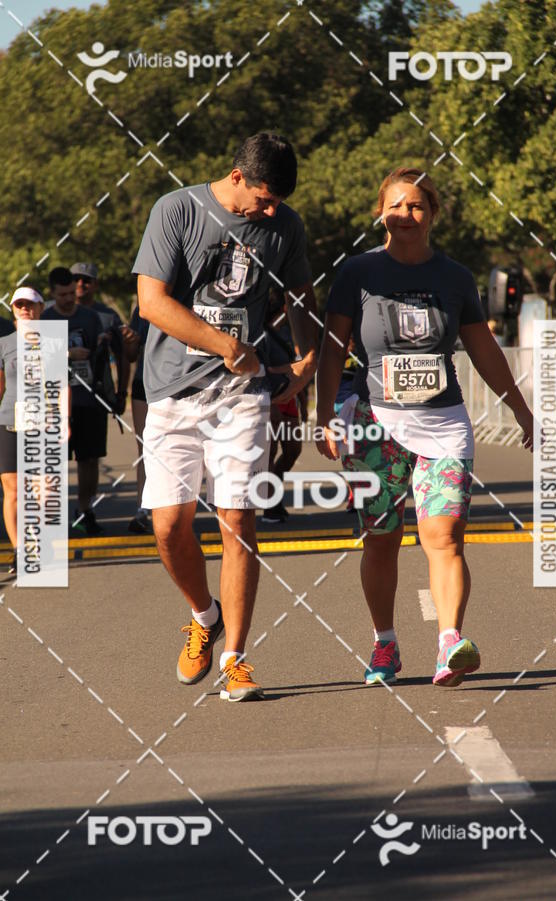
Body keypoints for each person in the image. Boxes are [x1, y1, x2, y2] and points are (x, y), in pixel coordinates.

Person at [316, 167, 534, 688]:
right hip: (374, 424)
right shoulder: (357, 273)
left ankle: (449, 642)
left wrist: (521, 409)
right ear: (380, 213)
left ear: (433, 214)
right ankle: (385, 644)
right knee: (381, 538)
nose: (405, 215)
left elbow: (483, 349)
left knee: (445, 536)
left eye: (416, 206)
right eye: (395, 206)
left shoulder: (454, 278)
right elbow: (332, 349)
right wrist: (322, 416)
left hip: (443, 425)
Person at [133, 132, 317, 702]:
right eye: (264, 199)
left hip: (242, 394)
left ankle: (236, 659)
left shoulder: (285, 226)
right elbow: (151, 302)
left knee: (238, 521)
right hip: (173, 391)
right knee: (169, 527)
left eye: (278, 202)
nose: (271, 211)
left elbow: (300, 297)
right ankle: (203, 615)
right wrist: (224, 345)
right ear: (237, 177)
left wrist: (307, 358)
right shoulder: (177, 209)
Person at [42, 267, 105, 536]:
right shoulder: (45, 318)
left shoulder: (90, 317)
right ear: (52, 293)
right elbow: (37, 359)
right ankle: (49, 518)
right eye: (63, 295)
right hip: (54, 400)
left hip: (88, 397)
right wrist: (67, 354)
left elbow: (102, 357)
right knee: (52, 460)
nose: (69, 299)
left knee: (89, 459)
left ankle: (85, 509)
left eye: (71, 293)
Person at [0, 288, 45, 572]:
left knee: (39, 490)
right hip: (8, 419)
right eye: (19, 305)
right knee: (13, 489)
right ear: (14, 311)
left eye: (30, 305)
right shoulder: (4, 343)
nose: (25, 309)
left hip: (41, 421)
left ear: (41, 308)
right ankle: (19, 550)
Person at [261, 290, 307, 524]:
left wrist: (304, 404)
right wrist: (271, 406)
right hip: (271, 401)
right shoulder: (262, 335)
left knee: (292, 450)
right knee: (269, 454)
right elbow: (262, 372)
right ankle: (270, 506)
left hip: (290, 399)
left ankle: (273, 492)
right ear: (284, 309)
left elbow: (297, 368)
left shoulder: (288, 332)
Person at [71, 262, 129, 417]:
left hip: (97, 396)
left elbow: (121, 355)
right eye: (76, 279)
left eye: (86, 280)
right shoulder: (50, 313)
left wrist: (122, 393)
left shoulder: (108, 316)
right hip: (59, 394)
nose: (80, 284)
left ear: (96, 285)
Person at [121, 303, 152, 533]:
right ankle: (142, 510)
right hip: (145, 384)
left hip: (179, 385)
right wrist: (131, 341)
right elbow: (131, 356)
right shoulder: (143, 307)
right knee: (146, 449)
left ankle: (182, 510)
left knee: (185, 447)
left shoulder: (188, 298)